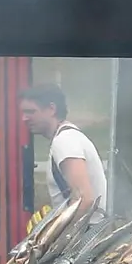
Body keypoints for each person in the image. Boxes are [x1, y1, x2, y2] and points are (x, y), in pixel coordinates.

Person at [18, 83, 108, 234]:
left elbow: (84, 200)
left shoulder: (64, 141)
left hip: (82, 238)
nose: (24, 118)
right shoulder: (68, 137)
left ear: (51, 109)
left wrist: (53, 235)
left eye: (30, 111)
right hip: (87, 233)